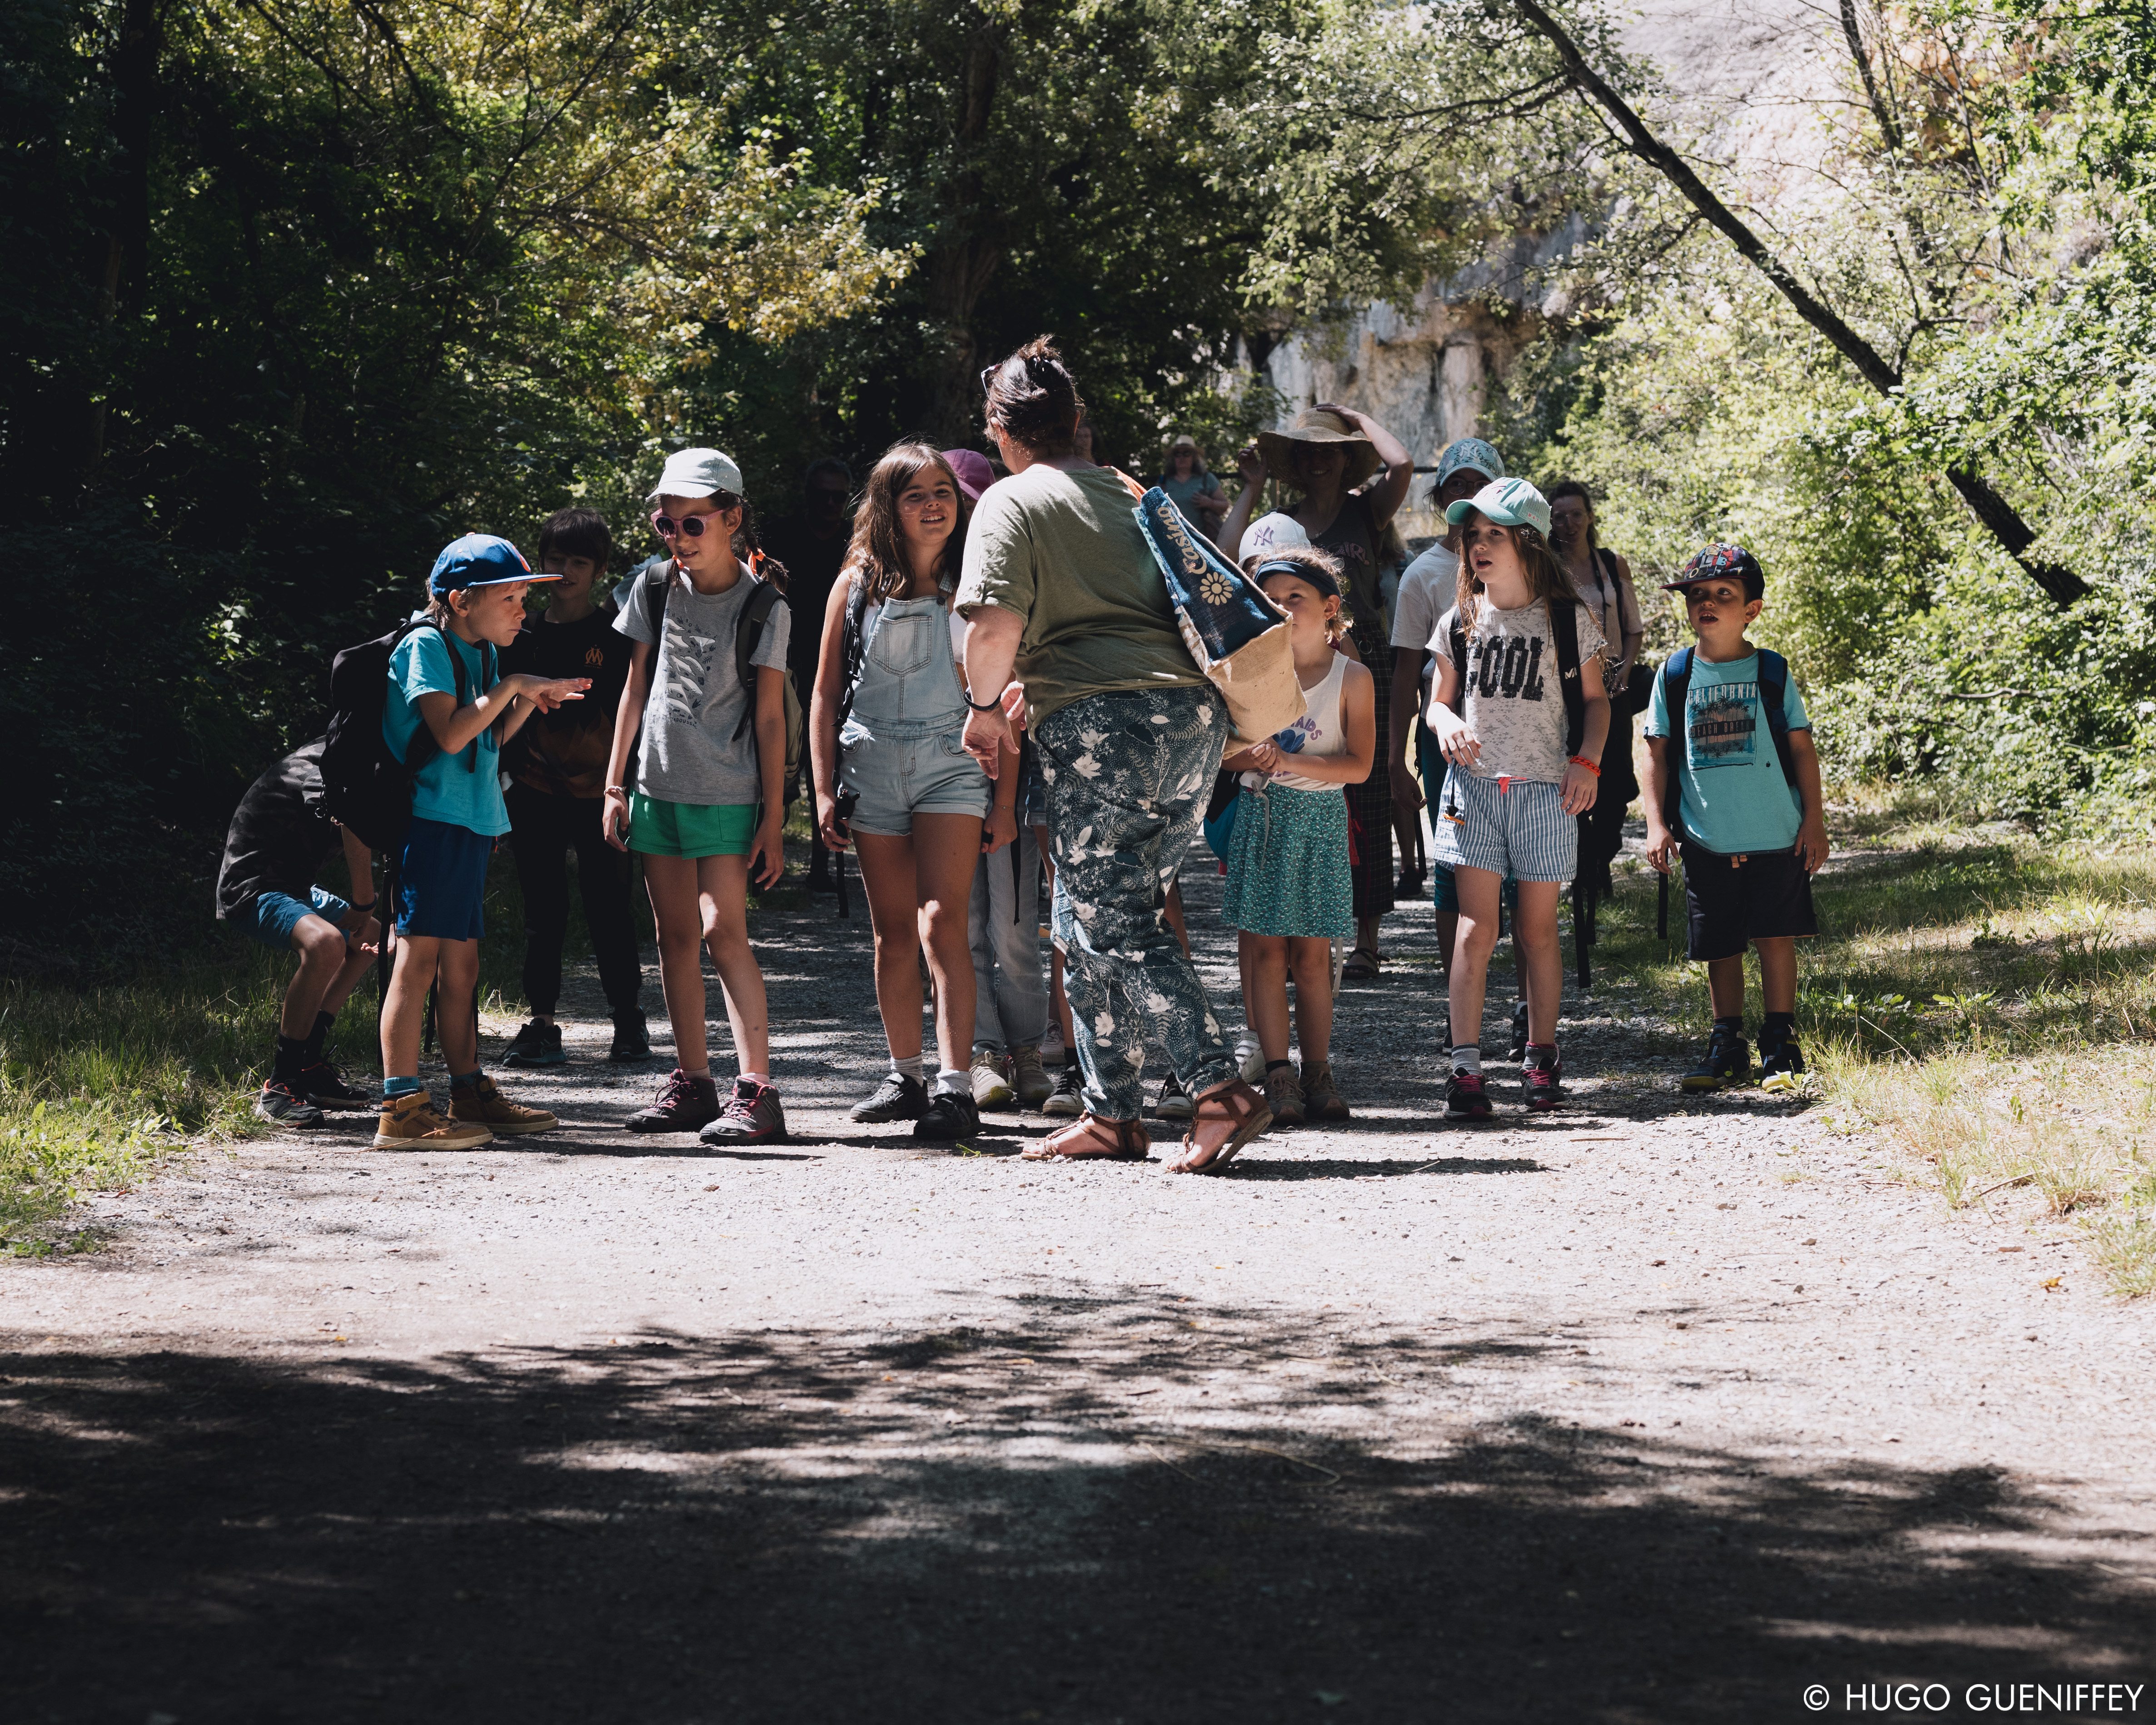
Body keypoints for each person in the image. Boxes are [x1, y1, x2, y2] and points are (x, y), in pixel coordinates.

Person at [956, 335, 1270, 1171]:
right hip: (1192, 726)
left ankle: (1218, 1088)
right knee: (1085, 916)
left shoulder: (1012, 500)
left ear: (1001, 427)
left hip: (1103, 733)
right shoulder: (1132, 493)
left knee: (1114, 915)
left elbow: (990, 632)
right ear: (1076, 420)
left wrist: (986, 708)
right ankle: (1112, 1113)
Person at [809, 444, 1011, 1141]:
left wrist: (1006, 801)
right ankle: (905, 1075)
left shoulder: (974, 584)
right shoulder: (855, 586)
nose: (933, 505)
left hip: (953, 765)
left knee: (940, 923)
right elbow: (825, 693)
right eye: (915, 494)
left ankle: (955, 1089)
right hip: (870, 766)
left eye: (943, 492)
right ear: (888, 508)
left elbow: (1003, 701)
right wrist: (821, 789)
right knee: (892, 933)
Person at [605, 449, 792, 1144]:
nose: (678, 538)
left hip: (727, 795)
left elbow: (770, 718)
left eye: (693, 523)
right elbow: (633, 689)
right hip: (656, 788)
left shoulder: (764, 606)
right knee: (674, 936)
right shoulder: (651, 587)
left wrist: (774, 818)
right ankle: (694, 1084)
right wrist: (614, 782)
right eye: (666, 524)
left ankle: (758, 1092)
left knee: (723, 933)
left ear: (731, 518)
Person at [375, 535, 587, 1150]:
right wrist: (517, 682)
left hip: (471, 820)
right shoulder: (426, 646)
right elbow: (449, 735)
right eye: (513, 598)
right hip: (431, 821)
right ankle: (401, 1105)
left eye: (525, 597)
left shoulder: (488, 657)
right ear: (463, 601)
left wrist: (525, 696)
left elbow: (488, 737)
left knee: (462, 965)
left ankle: (467, 1089)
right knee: (417, 963)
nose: (523, 610)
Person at [1425, 480, 1609, 1120]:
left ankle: (1541, 1057)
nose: (1478, 547)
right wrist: (1445, 724)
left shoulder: (1567, 617)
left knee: (1537, 932)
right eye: (1471, 536)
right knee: (1476, 929)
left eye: (1493, 535)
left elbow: (1595, 702)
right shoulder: (1459, 619)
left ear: (1527, 544)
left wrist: (1587, 762)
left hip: (1545, 792)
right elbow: (1438, 701)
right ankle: (1465, 1070)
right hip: (1474, 791)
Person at [1220, 405, 1414, 980]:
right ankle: (1286, 926)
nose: (1317, 456)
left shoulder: (1366, 513)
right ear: (1295, 465)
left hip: (1358, 652)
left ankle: (1366, 937)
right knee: (1288, 781)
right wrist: (1251, 489)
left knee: (1367, 789)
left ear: (1347, 457)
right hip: (1288, 658)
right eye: (1306, 450)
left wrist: (1354, 417)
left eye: (1329, 447)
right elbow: (1227, 559)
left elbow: (1400, 465)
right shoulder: (1281, 521)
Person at [1641, 543, 1827, 1094]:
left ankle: (1780, 1041)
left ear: (1752, 609)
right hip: (1705, 836)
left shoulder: (1770, 670)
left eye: (1724, 595)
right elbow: (1653, 752)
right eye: (1697, 595)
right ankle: (1726, 1043)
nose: (1708, 604)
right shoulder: (1673, 674)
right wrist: (1655, 823)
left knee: (1774, 936)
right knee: (1719, 944)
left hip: (1775, 833)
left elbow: (1801, 748)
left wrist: (1813, 819)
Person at [1218, 547, 1374, 1125]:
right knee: (1264, 951)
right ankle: (1277, 1071)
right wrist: (1252, 756)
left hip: (1319, 821)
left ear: (1330, 608)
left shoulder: (1350, 678)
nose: (1282, 611)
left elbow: (1358, 766)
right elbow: (1226, 755)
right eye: (1270, 601)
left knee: (1312, 955)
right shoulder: (1251, 675)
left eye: (1296, 599)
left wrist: (1290, 759)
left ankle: (1318, 1071)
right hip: (1262, 817)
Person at [1387, 438, 1527, 1047]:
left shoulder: (1526, 568)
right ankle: (1459, 1009)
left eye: (1478, 486)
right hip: (1448, 746)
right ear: (1440, 497)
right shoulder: (1423, 577)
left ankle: (1527, 1005)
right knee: (1454, 871)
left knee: (1525, 874)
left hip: (1525, 741)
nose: (1465, 497)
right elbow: (1401, 674)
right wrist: (1393, 759)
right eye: (1454, 487)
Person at [498, 507, 649, 1069]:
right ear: (540, 564)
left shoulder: (614, 637)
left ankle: (628, 1021)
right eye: (555, 559)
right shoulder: (521, 632)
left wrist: (622, 785)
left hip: (598, 795)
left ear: (600, 568)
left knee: (610, 907)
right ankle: (541, 1023)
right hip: (532, 792)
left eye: (579, 562)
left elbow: (630, 714)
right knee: (543, 911)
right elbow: (502, 716)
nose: (565, 570)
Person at [941, 448, 1056, 1117]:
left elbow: (1010, 697)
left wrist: (1007, 804)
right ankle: (982, 1052)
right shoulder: (923, 588)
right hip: (940, 787)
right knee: (963, 926)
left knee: (1015, 927)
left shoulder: (1010, 580)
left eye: (967, 500)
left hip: (1008, 779)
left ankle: (1029, 1050)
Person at [215, 739, 380, 1126]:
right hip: (253, 887)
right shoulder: (329, 766)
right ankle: (279, 1085)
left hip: (295, 888)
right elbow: (351, 819)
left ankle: (308, 1066)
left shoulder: (367, 762)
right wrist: (363, 897)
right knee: (325, 943)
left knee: (371, 937)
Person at [1548, 479, 1645, 902]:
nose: (1568, 523)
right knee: (1570, 773)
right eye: (1558, 516)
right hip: (1564, 690)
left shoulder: (1611, 564)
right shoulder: (1545, 566)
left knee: (1615, 780)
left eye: (1575, 514)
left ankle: (1600, 862)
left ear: (1589, 517)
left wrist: (1624, 672)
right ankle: (1581, 869)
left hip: (1613, 687)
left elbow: (1633, 627)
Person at [764, 458, 854, 892]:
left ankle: (823, 863)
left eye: (839, 496)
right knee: (777, 763)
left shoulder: (856, 541)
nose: (830, 504)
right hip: (782, 662)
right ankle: (767, 861)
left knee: (831, 763)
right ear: (807, 496)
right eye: (822, 495)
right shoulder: (780, 536)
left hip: (841, 665)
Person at [1155, 434, 1228, 537]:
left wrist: (1210, 503)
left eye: (1186, 453)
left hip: (1202, 541)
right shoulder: (1163, 481)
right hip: (1171, 540)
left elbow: (1225, 506)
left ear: (1194, 457)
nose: (1182, 457)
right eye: (1177, 454)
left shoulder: (1207, 479)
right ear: (1173, 458)